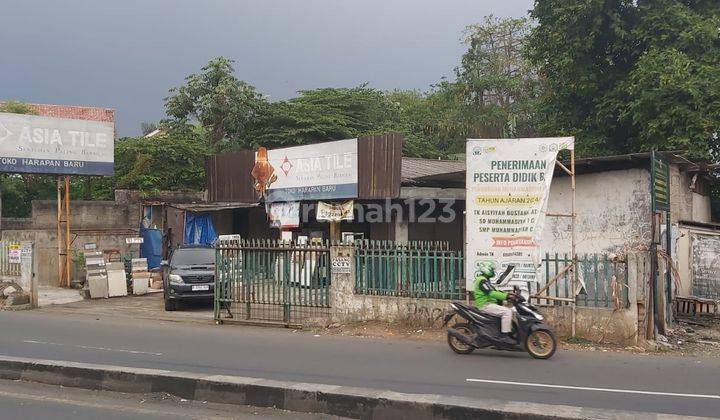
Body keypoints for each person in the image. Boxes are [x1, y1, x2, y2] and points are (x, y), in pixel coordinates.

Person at [474, 261, 516, 344]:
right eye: (492, 269)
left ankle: (508, 330)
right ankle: (505, 336)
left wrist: (508, 294)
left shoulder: (485, 280)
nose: (493, 271)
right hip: (485, 305)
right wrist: (506, 296)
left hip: (490, 303)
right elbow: (491, 293)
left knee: (513, 309)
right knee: (507, 312)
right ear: (487, 269)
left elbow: (495, 291)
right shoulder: (482, 281)